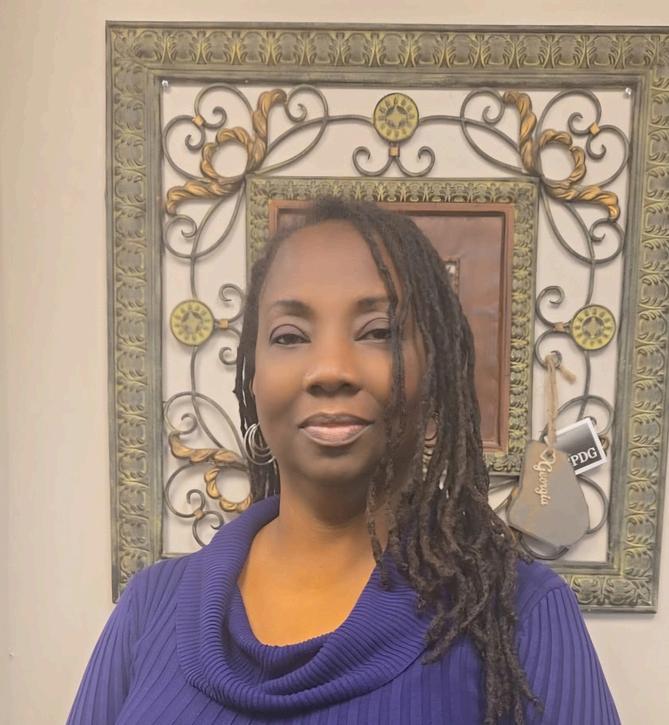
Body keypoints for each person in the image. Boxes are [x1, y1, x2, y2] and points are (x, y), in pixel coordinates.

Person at [67, 198, 620, 724]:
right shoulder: (151, 607)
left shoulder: (520, 612)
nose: (330, 368)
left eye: (378, 332)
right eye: (290, 336)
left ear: (435, 381)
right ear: (254, 379)